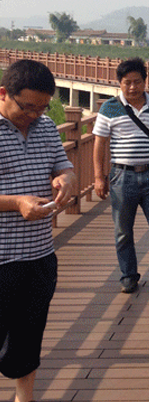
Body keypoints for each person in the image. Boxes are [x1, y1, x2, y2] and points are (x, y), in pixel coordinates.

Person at [0, 60, 76, 402]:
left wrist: (66, 179)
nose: (35, 114)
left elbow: (64, 165)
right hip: (1, 259)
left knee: (29, 339)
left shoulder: (45, 126)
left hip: (40, 256)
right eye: (27, 107)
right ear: (4, 94)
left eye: (42, 107)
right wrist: (16, 203)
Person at [93, 57, 149, 294]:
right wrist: (99, 177)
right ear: (119, 84)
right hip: (122, 177)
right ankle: (129, 275)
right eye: (127, 83)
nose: (132, 87)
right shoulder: (109, 107)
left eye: (137, 82)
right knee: (123, 231)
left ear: (145, 81)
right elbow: (99, 144)